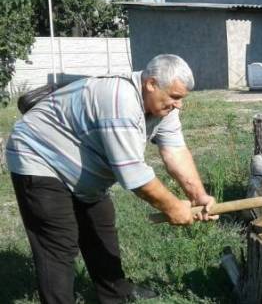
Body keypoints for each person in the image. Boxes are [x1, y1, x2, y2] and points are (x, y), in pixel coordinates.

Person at [5, 54, 218, 303]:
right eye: (175, 97)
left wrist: (198, 196)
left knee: (100, 227)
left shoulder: (165, 109)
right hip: (38, 156)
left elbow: (175, 152)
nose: (178, 105)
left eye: (181, 98)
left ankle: (115, 294)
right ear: (151, 83)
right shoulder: (120, 100)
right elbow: (133, 173)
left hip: (80, 163)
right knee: (59, 242)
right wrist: (173, 207)